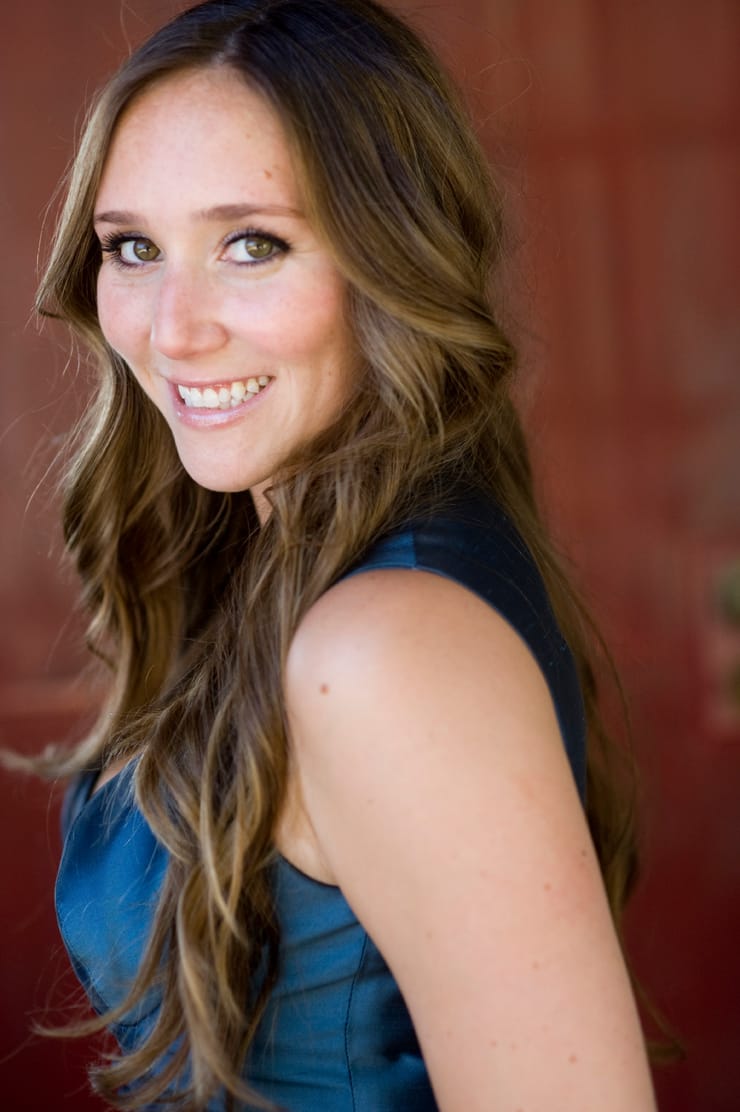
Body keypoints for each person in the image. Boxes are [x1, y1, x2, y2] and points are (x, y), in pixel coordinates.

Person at [25, 0, 657, 1108]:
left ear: (390, 258)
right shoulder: (296, 567)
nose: (171, 328)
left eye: (251, 244)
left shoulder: (382, 645)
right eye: (133, 248)